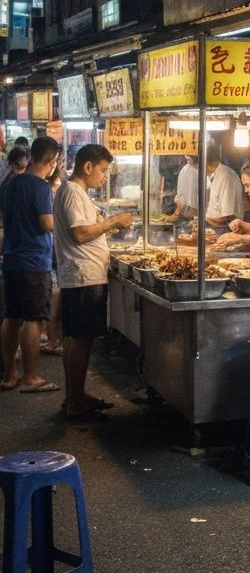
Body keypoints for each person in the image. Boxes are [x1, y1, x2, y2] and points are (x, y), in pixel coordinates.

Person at [53, 144, 133, 419]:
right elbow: (80, 234)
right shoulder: (73, 193)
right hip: (83, 276)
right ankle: (75, 403)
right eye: (103, 170)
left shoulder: (72, 191)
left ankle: (75, 395)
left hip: (79, 274)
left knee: (74, 339)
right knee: (82, 340)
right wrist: (113, 222)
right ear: (87, 167)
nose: (104, 176)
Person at [1, 137, 62, 393]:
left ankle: (10, 376)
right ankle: (31, 377)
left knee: (11, 318)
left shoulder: (12, 184)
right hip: (34, 262)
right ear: (50, 162)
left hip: (12, 259)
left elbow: (3, 218)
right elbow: (47, 224)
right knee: (33, 320)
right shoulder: (40, 187)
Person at [203, 143, 243, 227]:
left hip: (225, 231)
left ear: (206, 163)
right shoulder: (215, 175)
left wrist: (202, 218)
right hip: (213, 228)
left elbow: (226, 217)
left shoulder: (226, 176)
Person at [167, 156, 198, 222]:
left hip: (203, 220)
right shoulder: (186, 170)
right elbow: (181, 201)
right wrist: (176, 214)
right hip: (186, 219)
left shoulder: (206, 169)